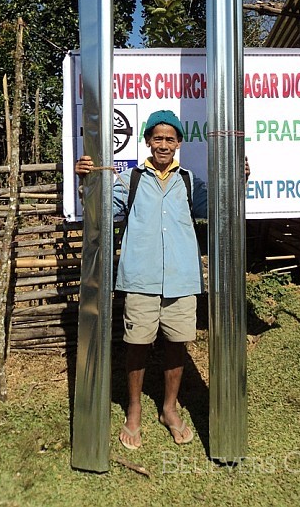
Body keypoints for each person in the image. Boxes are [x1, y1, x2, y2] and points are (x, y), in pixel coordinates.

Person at [75, 109, 249, 451]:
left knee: (176, 344)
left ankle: (169, 409)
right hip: (141, 277)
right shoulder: (131, 180)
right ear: (148, 142)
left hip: (182, 278)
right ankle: (135, 409)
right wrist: (87, 180)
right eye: (158, 138)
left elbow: (218, 207)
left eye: (170, 138)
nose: (164, 144)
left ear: (179, 143)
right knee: (137, 344)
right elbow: (101, 209)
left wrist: (237, 179)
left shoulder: (189, 181)